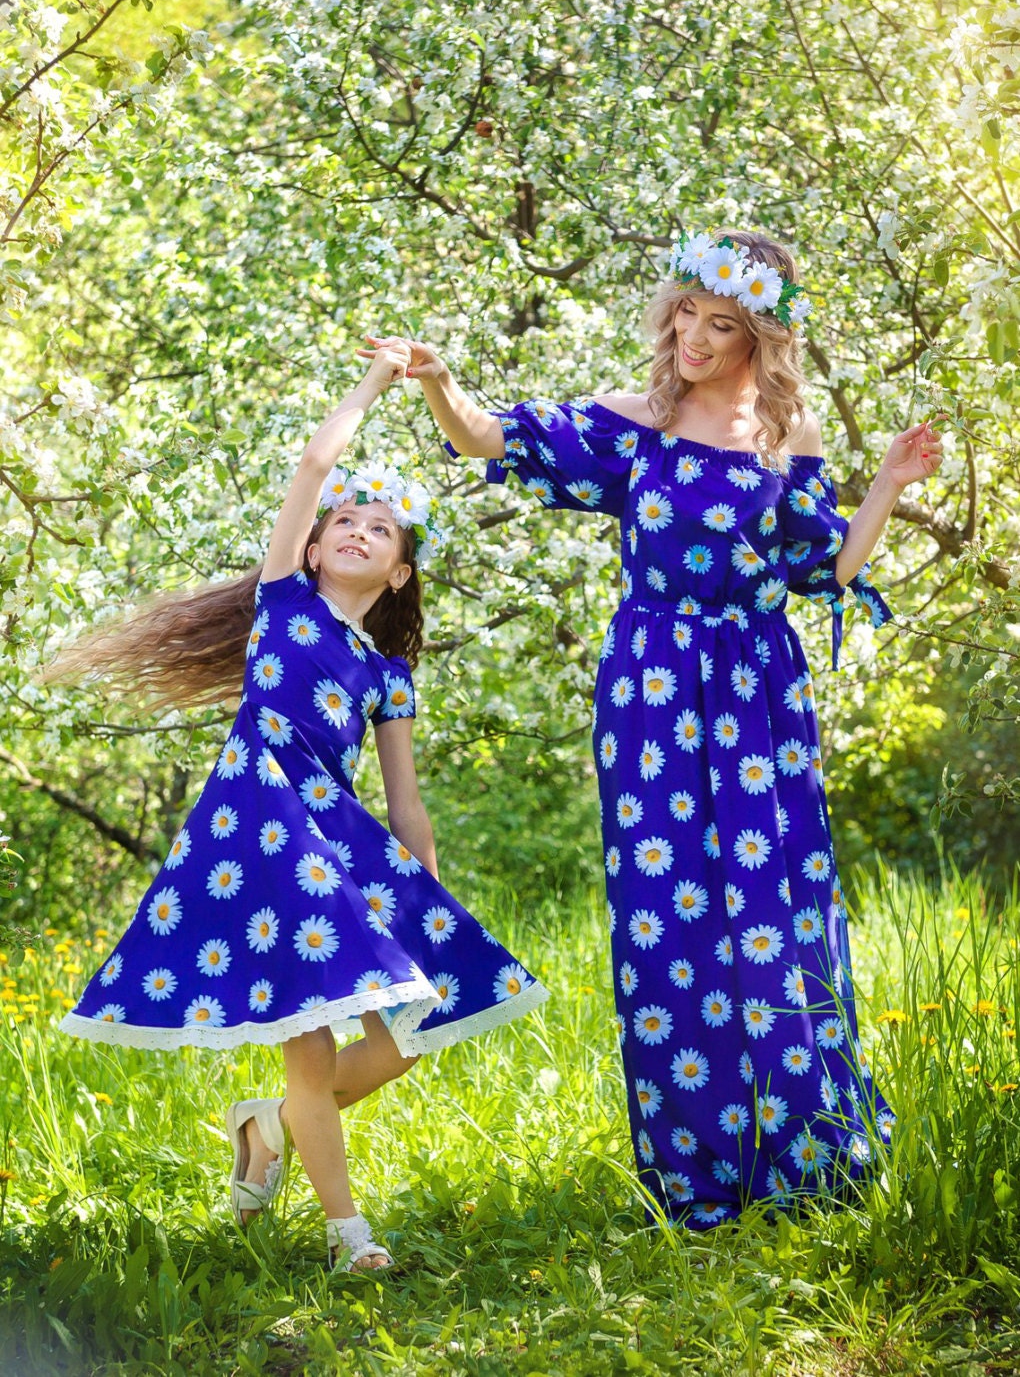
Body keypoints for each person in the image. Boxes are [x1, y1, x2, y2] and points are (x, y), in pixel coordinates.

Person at [368, 229, 945, 1223]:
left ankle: (807, 1150)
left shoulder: (788, 431)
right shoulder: (636, 423)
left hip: (760, 686)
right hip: (654, 688)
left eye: (724, 325)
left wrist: (887, 484)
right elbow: (488, 438)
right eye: (689, 312)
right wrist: (438, 382)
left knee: (776, 906)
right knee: (669, 915)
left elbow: (826, 569)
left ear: (762, 334)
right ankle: (696, 1167)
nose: (697, 337)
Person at [51, 340, 548, 1269]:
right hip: (261, 824)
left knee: (407, 1036)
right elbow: (314, 464)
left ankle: (267, 1126)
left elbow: (405, 804)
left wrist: (425, 904)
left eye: (382, 529)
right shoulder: (283, 603)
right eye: (346, 522)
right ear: (314, 546)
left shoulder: (388, 672)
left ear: (400, 571)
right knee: (313, 1043)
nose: (359, 530)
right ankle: (345, 1233)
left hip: (334, 834)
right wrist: (374, 381)